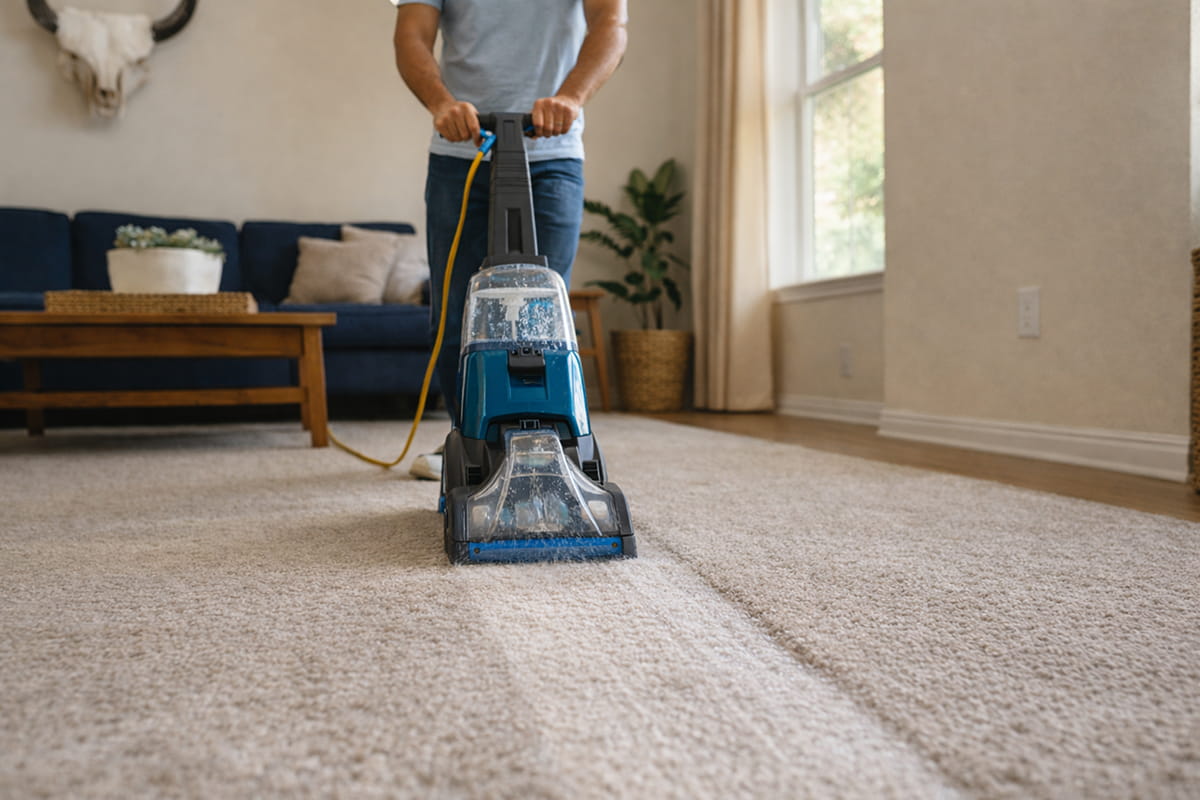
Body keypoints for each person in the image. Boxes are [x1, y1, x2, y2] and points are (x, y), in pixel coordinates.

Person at [393, 0, 628, 480]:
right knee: (456, 309)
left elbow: (611, 22)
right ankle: (469, 440)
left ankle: (546, 441)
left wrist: (571, 97)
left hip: (553, 150)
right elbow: (412, 36)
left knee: (545, 308)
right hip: (462, 150)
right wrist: (442, 102)